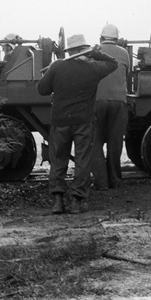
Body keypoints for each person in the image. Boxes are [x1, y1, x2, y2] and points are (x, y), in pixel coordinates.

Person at [38, 34, 118, 214]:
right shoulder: (93, 68)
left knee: (58, 160)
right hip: (84, 122)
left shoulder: (57, 66)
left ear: (69, 51)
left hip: (60, 122)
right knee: (82, 161)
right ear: (84, 50)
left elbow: (42, 90)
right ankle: (76, 201)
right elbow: (113, 63)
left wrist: (51, 71)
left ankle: (58, 201)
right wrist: (97, 54)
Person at [91, 24, 131, 189]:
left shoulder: (93, 52)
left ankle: (101, 182)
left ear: (101, 38)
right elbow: (126, 74)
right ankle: (115, 180)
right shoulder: (124, 53)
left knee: (95, 142)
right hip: (118, 101)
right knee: (115, 142)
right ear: (117, 39)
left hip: (97, 101)